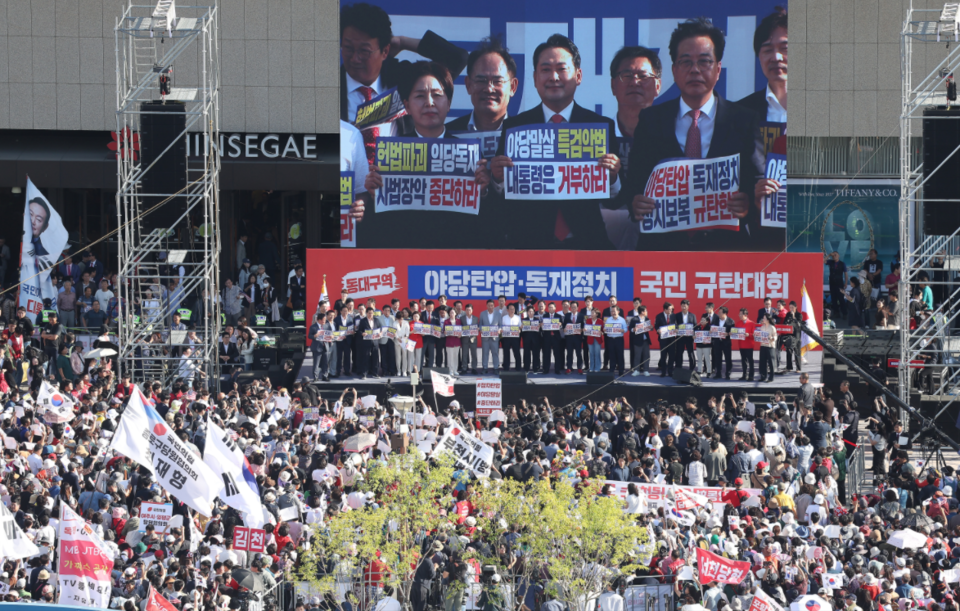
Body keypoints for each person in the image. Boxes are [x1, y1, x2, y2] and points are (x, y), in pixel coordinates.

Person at [618, 17, 767, 251]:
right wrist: (635, 202)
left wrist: (747, 202)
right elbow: (634, 184)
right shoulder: (650, 120)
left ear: (718, 69)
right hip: (661, 251)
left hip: (725, 250)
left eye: (704, 61)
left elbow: (757, 180)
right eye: (686, 62)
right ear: (675, 70)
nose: (695, 70)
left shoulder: (744, 120)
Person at [489, 34, 621, 249]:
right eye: (545, 69)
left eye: (561, 69)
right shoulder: (516, 128)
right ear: (534, 78)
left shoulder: (599, 126)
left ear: (578, 76)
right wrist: (497, 179)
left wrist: (613, 178)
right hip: (528, 247)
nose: (553, 77)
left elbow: (615, 201)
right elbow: (502, 200)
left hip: (587, 245)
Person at [604, 46, 663, 250]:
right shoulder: (596, 137)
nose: (634, 82)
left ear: (658, 86)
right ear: (613, 86)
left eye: (643, 76)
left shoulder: (673, 138)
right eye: (626, 75)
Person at [672, 299, 697, 371]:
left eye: (685, 306)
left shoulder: (692, 315)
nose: (683, 308)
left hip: (689, 337)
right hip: (680, 337)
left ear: (688, 306)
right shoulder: (677, 315)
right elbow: (675, 324)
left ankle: (692, 368)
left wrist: (693, 334)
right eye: (682, 306)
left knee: (691, 353)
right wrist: (676, 329)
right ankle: (678, 367)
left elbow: (695, 326)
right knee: (679, 352)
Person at [711, 307, 735, 379]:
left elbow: (733, 333)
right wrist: (711, 331)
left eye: (720, 312)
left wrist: (728, 334)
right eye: (718, 312)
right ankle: (718, 373)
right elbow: (712, 328)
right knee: (718, 358)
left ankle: (728, 373)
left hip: (726, 343)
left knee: (728, 359)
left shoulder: (730, 321)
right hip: (717, 342)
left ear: (725, 313)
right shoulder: (715, 320)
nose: (718, 314)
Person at [604, 306, 627, 376]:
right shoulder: (608, 320)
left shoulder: (622, 320)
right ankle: (611, 370)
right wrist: (605, 329)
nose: (613, 313)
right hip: (610, 339)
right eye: (612, 311)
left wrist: (622, 330)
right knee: (611, 355)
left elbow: (626, 329)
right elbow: (605, 328)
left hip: (619, 339)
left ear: (618, 312)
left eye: (614, 311)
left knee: (620, 355)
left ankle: (621, 370)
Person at [541, 302, 563, 375]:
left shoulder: (558, 316)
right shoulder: (544, 316)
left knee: (557, 354)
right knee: (546, 354)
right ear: (548, 308)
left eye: (552, 307)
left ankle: (557, 369)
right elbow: (542, 327)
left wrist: (560, 325)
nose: (551, 308)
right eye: (549, 307)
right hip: (547, 337)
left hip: (556, 337)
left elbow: (562, 326)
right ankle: (546, 369)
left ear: (555, 308)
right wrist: (541, 325)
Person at [628, 305, 651, 376]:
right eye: (645, 311)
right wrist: (633, 329)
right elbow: (630, 328)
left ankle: (646, 370)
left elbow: (649, 328)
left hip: (645, 340)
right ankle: (636, 370)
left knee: (646, 356)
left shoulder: (647, 319)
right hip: (637, 341)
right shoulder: (634, 319)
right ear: (642, 312)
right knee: (637, 356)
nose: (647, 312)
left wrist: (651, 327)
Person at [480, 299, 501, 374]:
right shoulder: (482, 314)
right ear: (486, 306)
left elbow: (500, 325)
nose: (490, 307)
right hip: (485, 338)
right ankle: (485, 367)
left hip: (494, 338)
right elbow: (480, 324)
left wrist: (499, 330)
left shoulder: (498, 314)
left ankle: (496, 368)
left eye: (492, 305)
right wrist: (481, 329)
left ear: (494, 306)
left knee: (495, 353)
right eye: (489, 305)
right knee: (485, 353)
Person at [563, 301, 584, 374]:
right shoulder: (567, 315)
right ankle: (569, 367)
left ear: (577, 308)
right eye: (572, 307)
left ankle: (579, 368)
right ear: (570, 308)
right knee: (569, 353)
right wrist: (564, 328)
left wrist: (581, 329)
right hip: (569, 337)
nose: (573, 308)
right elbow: (564, 325)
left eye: (575, 307)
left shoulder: (581, 315)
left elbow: (583, 326)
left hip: (578, 337)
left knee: (578, 353)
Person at [825, 251, 848, 319]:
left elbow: (845, 273)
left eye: (835, 255)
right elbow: (823, 261)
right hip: (832, 283)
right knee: (833, 298)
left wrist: (846, 282)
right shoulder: (830, 262)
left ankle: (844, 313)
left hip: (839, 284)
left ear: (838, 256)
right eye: (833, 255)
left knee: (841, 299)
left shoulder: (842, 264)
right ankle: (836, 312)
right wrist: (829, 254)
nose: (834, 256)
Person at [655, 302, 675, 377]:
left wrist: (676, 329)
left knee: (671, 356)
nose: (671, 310)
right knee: (663, 356)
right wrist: (658, 330)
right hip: (663, 339)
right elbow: (656, 326)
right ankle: (663, 371)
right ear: (665, 309)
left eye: (671, 309)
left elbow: (675, 324)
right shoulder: (659, 316)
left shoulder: (673, 315)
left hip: (672, 339)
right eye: (669, 309)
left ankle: (670, 371)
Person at [499, 304, 521, 372]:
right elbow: (501, 327)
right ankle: (506, 366)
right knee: (506, 352)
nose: (512, 310)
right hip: (506, 338)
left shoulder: (518, 317)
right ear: (507, 310)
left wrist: (519, 330)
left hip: (515, 338)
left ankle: (518, 367)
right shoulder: (504, 318)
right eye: (511, 309)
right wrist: (501, 329)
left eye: (513, 309)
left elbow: (520, 326)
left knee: (516, 352)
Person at [737, 308, 756, 381]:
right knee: (743, 361)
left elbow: (754, 334)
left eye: (740, 314)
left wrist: (749, 334)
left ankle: (751, 375)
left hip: (749, 345)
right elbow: (735, 332)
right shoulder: (738, 323)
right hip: (741, 345)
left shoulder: (751, 323)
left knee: (750, 361)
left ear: (745, 315)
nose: (739, 315)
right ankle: (744, 375)